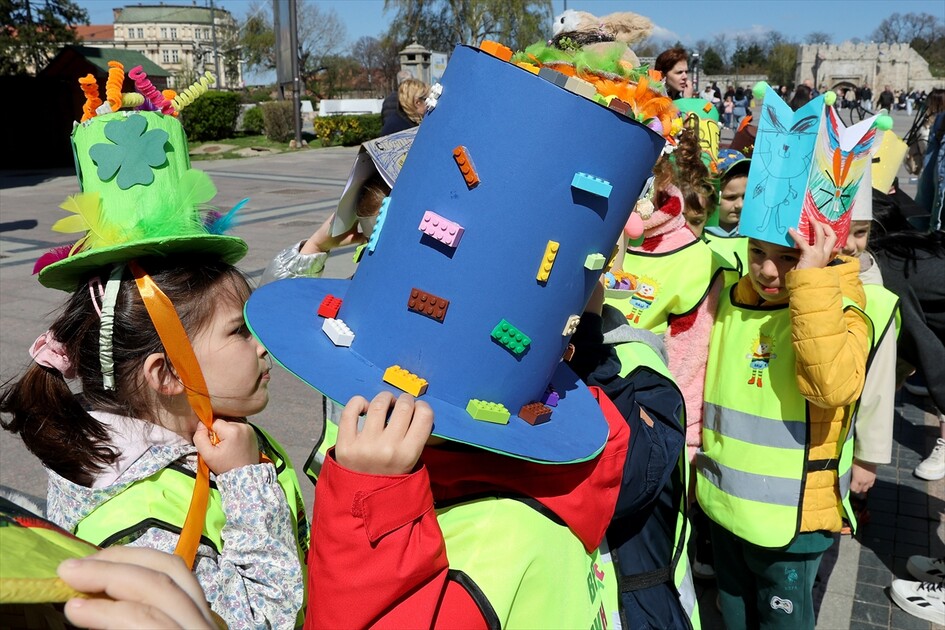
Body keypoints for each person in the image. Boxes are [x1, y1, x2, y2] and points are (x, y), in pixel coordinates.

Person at [0, 84, 307, 628]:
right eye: (241, 332)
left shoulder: (174, 427)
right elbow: (267, 617)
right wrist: (244, 481)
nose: (263, 346)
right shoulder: (147, 525)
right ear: (165, 373)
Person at [697, 220, 870, 629]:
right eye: (757, 252)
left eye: (788, 257)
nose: (768, 271)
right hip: (726, 507)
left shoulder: (841, 307)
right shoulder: (734, 299)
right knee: (735, 616)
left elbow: (831, 388)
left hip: (791, 522)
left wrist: (811, 279)